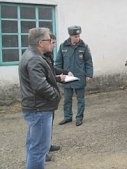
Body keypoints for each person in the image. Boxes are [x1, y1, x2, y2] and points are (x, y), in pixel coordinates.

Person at [18, 27, 63, 169]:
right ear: (40, 42)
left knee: (33, 146)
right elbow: (40, 86)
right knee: (39, 150)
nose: (52, 42)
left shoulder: (33, 55)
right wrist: (55, 96)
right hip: (39, 109)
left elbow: (40, 80)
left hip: (36, 107)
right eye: (49, 40)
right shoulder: (35, 59)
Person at [55, 25, 94, 126]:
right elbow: (58, 62)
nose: (78, 38)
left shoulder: (84, 46)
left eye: (78, 36)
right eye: (75, 36)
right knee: (67, 99)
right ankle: (67, 117)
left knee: (80, 99)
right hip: (67, 77)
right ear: (70, 36)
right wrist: (59, 75)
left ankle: (79, 118)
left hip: (80, 77)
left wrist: (89, 74)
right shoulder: (63, 46)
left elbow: (88, 61)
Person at [44, 34, 73, 161]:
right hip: (43, 99)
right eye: (52, 42)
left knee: (48, 124)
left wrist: (65, 72)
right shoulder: (39, 58)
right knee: (42, 128)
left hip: (49, 98)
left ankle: (47, 145)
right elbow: (43, 79)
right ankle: (42, 153)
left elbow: (52, 69)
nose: (54, 45)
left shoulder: (47, 56)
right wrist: (59, 78)